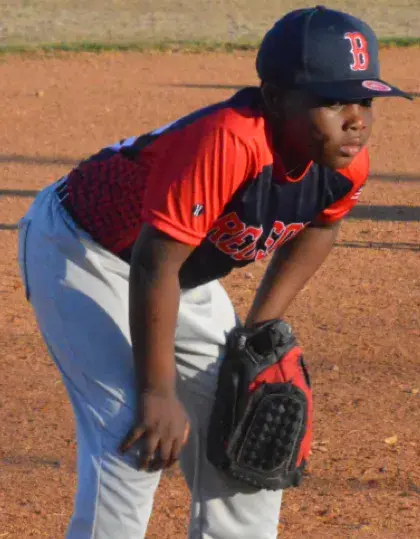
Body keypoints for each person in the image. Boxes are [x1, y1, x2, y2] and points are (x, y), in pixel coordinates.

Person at [17, 5, 411, 539]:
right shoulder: (229, 140)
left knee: (246, 434)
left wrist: (257, 327)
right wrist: (157, 392)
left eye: (365, 100)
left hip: (175, 272)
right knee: (134, 436)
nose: (356, 118)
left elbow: (322, 225)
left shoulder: (345, 162)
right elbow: (155, 261)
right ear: (276, 98)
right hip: (84, 248)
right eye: (332, 100)